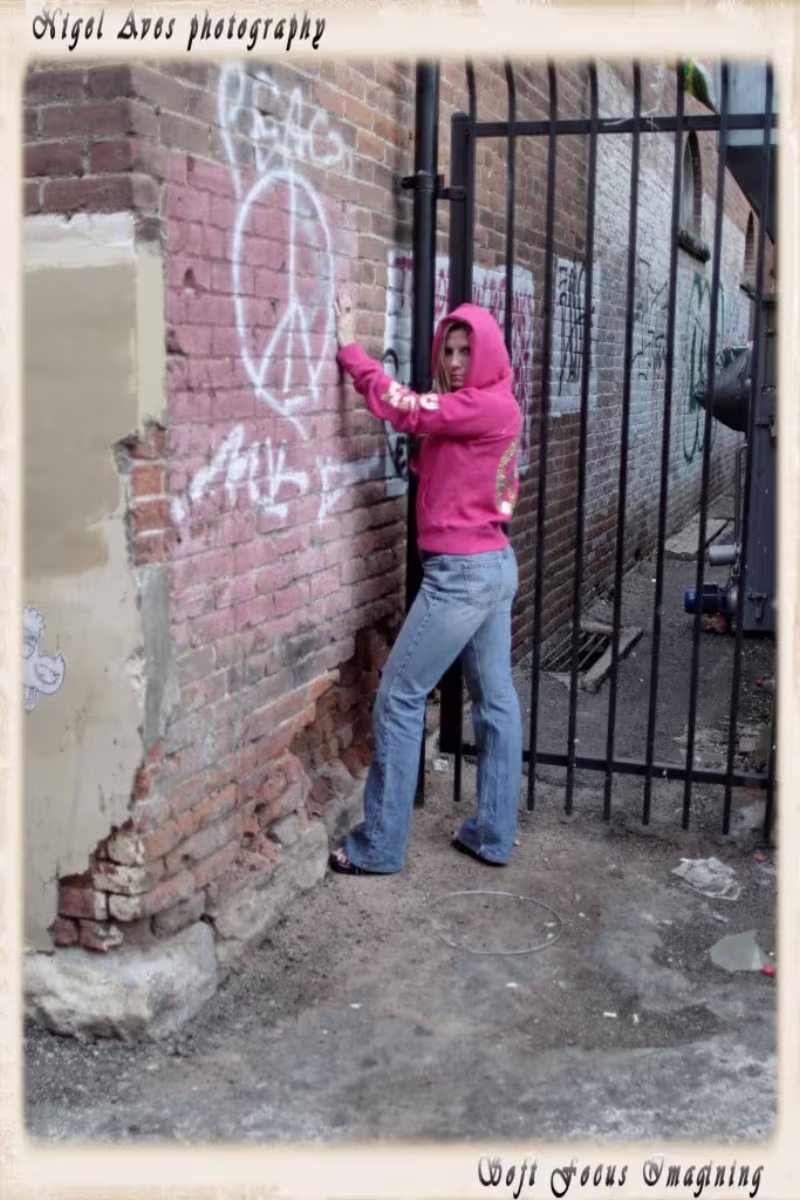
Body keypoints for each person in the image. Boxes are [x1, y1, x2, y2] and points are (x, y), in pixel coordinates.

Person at [329, 283, 523, 875]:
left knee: (399, 695)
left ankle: (379, 847)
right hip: (489, 567)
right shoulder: (487, 405)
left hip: (461, 575)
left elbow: (406, 408)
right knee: (495, 703)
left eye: (467, 351)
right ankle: (491, 836)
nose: (456, 362)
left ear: (487, 353)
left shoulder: (484, 405)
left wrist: (350, 351)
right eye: (449, 351)